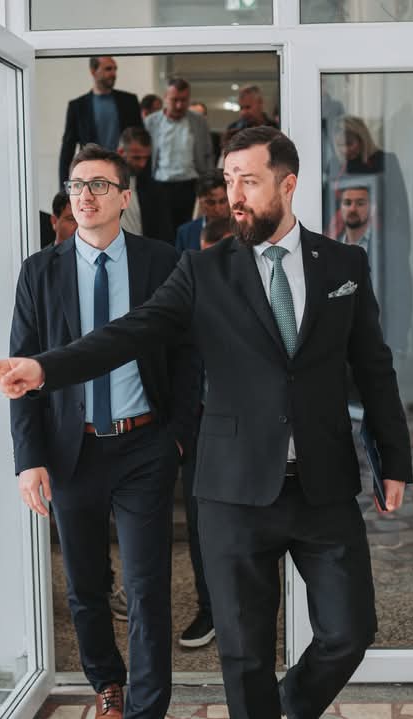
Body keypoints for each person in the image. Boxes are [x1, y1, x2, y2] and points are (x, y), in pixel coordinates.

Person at [0, 127, 413, 719]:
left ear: (288, 184)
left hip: (323, 484)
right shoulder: (202, 271)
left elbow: (374, 367)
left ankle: (290, 704)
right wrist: (44, 367)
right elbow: (128, 334)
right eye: (229, 180)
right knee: (245, 654)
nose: (235, 195)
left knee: (349, 632)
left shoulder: (342, 263)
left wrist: (393, 457)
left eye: (249, 181)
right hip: (233, 490)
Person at [3, 143, 199, 719]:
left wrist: (178, 435)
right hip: (73, 452)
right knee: (86, 585)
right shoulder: (39, 271)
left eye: (98, 185)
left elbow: (188, 355)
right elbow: (23, 370)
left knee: (147, 586)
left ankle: (148, 707)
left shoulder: (162, 261)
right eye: (76, 185)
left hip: (145, 445)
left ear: (124, 197)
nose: (84, 196)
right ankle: (108, 683)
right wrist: (29, 458)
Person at [174, 213, 232, 650]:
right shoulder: (186, 302)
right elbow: (172, 363)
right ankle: (209, 610)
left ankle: (243, 613)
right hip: (199, 430)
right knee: (200, 525)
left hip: (255, 433)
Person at [329, 116, 413, 351]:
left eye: (350, 144)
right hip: (350, 238)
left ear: (362, 138)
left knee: (390, 293)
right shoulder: (337, 167)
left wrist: (401, 243)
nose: (345, 150)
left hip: (384, 238)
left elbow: (399, 206)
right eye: (340, 146)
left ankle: (393, 343)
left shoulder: (385, 161)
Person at [334, 179, 412, 351]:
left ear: (371, 207)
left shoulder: (388, 246)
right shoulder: (331, 247)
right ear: (340, 208)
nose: (353, 209)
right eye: (347, 203)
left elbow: (403, 295)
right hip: (341, 346)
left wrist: (397, 344)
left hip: (379, 341)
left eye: (360, 203)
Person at [144, 77, 214, 243]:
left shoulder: (199, 121)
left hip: (191, 185)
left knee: (190, 233)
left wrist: (208, 183)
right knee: (163, 233)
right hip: (160, 185)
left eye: (184, 100)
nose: (179, 105)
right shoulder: (151, 122)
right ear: (165, 98)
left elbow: (208, 153)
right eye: (174, 100)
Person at [58, 57, 143, 183]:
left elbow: (141, 141)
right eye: (108, 69)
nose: (113, 73)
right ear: (93, 71)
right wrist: (64, 187)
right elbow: (67, 149)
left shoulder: (129, 101)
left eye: (115, 69)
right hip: (92, 174)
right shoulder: (77, 106)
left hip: (124, 173)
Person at [116, 126, 162, 239]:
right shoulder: (102, 183)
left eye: (146, 158)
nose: (142, 164)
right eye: (136, 158)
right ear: (121, 152)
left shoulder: (153, 189)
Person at [174, 170, 230, 254]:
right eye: (210, 203)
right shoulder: (185, 233)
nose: (217, 209)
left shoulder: (243, 228)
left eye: (223, 201)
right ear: (200, 202)